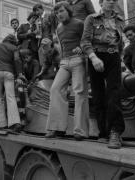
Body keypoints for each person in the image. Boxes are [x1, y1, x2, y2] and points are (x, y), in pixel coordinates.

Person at [81, 0, 125, 149]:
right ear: (101, 2)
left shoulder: (119, 20)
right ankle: (103, 132)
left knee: (114, 93)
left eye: (114, 0)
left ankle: (115, 131)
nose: (112, 2)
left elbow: (121, 43)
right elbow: (85, 41)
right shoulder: (91, 18)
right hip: (96, 56)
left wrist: (121, 58)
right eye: (108, 0)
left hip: (113, 58)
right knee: (98, 95)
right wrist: (93, 58)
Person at [45, 1, 89, 141]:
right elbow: (62, 47)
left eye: (62, 11)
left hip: (78, 60)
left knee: (79, 92)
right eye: (57, 13)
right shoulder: (58, 28)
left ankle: (80, 131)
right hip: (64, 62)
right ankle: (57, 128)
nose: (59, 14)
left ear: (68, 10)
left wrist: (81, 49)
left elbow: (87, 40)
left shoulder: (79, 23)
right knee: (55, 89)